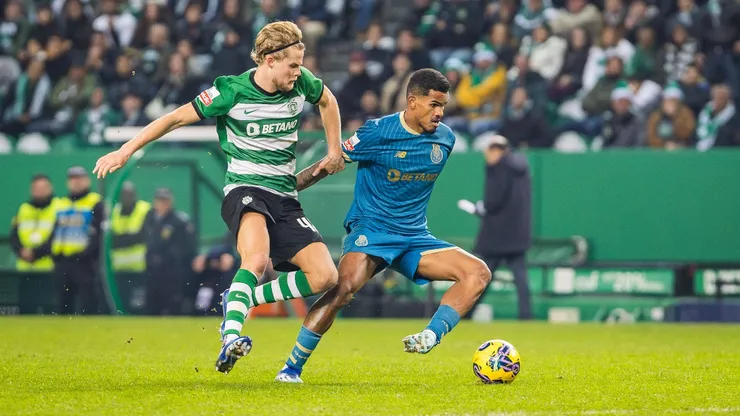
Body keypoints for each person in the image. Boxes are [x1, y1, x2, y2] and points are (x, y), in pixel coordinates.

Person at [92, 21, 344, 373]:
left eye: (300, 65)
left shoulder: (301, 82)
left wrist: (334, 149)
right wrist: (125, 150)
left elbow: (328, 100)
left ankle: (241, 298)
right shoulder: (231, 91)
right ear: (270, 60)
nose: (298, 72)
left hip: (285, 196)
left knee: (325, 277)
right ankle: (231, 336)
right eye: (292, 65)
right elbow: (173, 119)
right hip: (246, 190)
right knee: (256, 260)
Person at [274, 69, 492, 383]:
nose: (440, 113)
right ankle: (291, 369)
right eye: (433, 104)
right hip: (373, 230)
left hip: (415, 237)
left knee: (478, 272)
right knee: (342, 289)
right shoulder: (377, 132)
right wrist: (284, 191)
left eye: (443, 106)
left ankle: (430, 336)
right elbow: (329, 163)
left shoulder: (445, 139)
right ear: (412, 101)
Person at [457, 135, 533, 320]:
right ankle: (526, 316)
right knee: (521, 279)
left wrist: (478, 209)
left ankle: (466, 313)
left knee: (482, 277)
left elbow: (493, 201)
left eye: (488, 151)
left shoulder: (498, 168)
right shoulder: (521, 167)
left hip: (498, 236)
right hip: (517, 235)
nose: (486, 155)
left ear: (496, 151)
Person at [51, 166, 105, 314]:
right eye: (72, 179)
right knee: (63, 303)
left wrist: (87, 254)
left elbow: (99, 235)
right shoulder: (60, 203)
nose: (76, 182)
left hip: (85, 262)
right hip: (63, 260)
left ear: (87, 181)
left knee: (88, 302)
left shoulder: (95, 202)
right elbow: (53, 232)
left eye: (79, 179)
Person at [142, 188, 196, 315]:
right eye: (160, 201)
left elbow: (187, 246)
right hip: (152, 269)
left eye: (165, 201)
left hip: (171, 270)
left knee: (173, 304)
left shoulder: (178, 221)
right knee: (152, 305)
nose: (162, 204)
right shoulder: (150, 219)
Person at [9, 174, 58, 272]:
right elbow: (14, 236)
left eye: (43, 187)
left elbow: (57, 238)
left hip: (50, 268)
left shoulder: (59, 207)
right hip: (24, 269)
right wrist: (21, 251)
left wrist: (35, 253)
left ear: (50, 188)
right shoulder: (24, 209)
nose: (40, 191)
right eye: (37, 188)